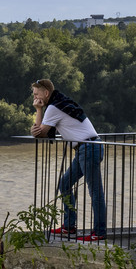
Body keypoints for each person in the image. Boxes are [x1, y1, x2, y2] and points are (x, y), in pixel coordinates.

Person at [32, 78, 105, 241]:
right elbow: (40, 132)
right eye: (34, 96)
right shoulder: (59, 103)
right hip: (85, 148)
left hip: (88, 148)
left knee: (95, 192)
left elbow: (40, 133)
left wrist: (38, 110)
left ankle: (99, 232)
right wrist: (37, 125)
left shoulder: (53, 107)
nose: (35, 98)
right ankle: (69, 227)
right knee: (65, 184)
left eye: (37, 95)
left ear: (46, 93)